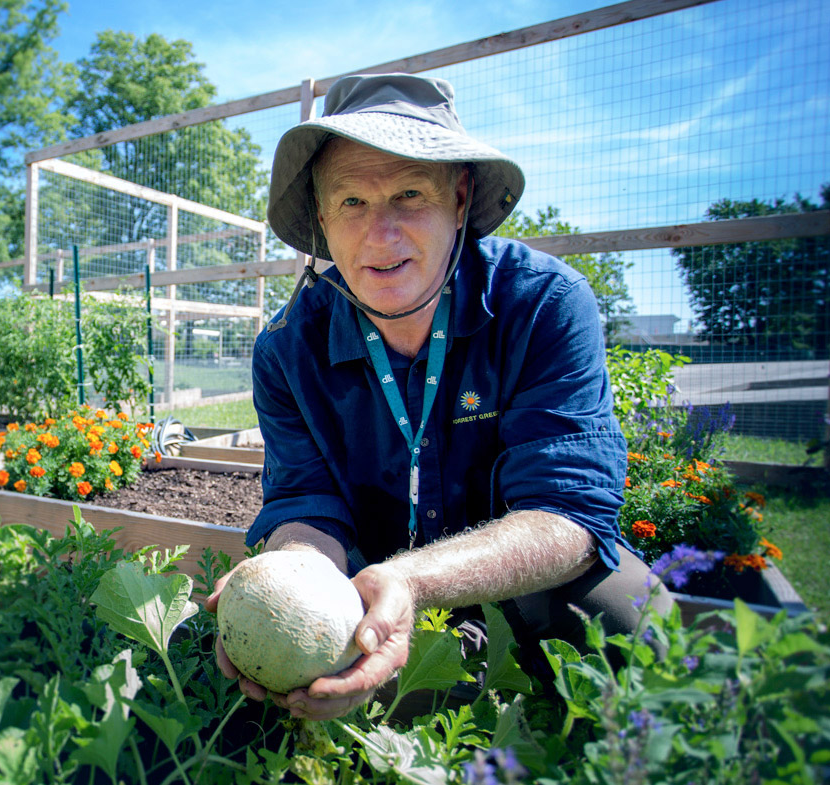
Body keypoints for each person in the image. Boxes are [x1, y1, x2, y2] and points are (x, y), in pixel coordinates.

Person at [205, 73, 671, 722]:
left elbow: (568, 513)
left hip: (519, 573)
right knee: (342, 685)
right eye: (351, 203)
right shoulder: (286, 350)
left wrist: (415, 580)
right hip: (373, 579)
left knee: (631, 618)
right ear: (320, 218)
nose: (382, 234)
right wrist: (292, 583)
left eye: (409, 194)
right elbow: (306, 501)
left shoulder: (541, 304)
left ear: (459, 197)